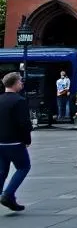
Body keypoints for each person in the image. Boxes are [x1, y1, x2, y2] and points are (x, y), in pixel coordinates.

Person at [0, 72, 32, 212]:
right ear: (15, 83)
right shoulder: (19, 101)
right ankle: (8, 194)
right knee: (23, 167)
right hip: (14, 141)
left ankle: (7, 196)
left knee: (1, 171)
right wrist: (27, 139)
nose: (22, 83)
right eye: (20, 81)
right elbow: (23, 123)